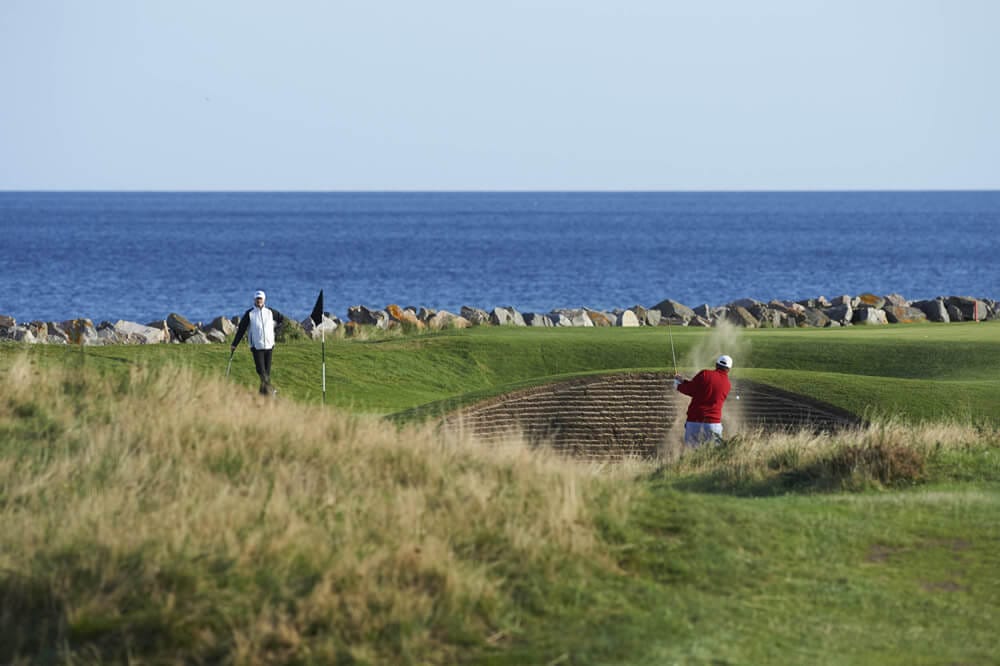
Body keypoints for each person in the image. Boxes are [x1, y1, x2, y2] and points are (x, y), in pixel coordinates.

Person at [231, 290, 287, 395]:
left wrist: (276, 332)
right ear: (254, 300)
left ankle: (263, 395)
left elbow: (282, 320)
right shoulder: (250, 313)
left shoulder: (270, 312)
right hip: (257, 347)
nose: (259, 301)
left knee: (267, 373)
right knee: (262, 372)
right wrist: (234, 344)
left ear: (264, 300)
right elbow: (241, 329)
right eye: (257, 299)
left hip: (269, 346)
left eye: (260, 299)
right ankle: (271, 391)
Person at [674, 354, 733, 447]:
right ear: (728, 369)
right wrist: (683, 381)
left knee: (691, 455)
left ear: (716, 364)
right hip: (714, 424)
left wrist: (678, 386)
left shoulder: (705, 374)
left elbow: (692, 389)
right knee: (714, 455)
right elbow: (701, 389)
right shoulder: (728, 385)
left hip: (695, 421)